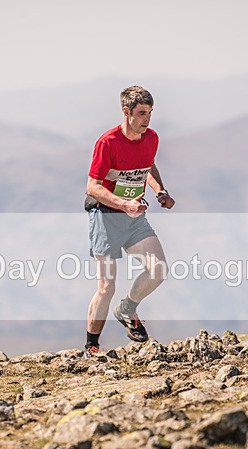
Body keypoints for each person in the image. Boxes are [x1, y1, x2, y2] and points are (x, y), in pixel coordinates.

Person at [83, 85, 175, 357]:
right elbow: (92, 187)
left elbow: (148, 166)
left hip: (135, 218)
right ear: (127, 112)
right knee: (106, 286)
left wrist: (160, 191)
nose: (147, 119)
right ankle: (91, 347)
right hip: (106, 217)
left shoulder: (151, 138)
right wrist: (124, 204)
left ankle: (127, 309)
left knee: (158, 269)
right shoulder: (108, 142)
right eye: (142, 113)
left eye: (150, 112)